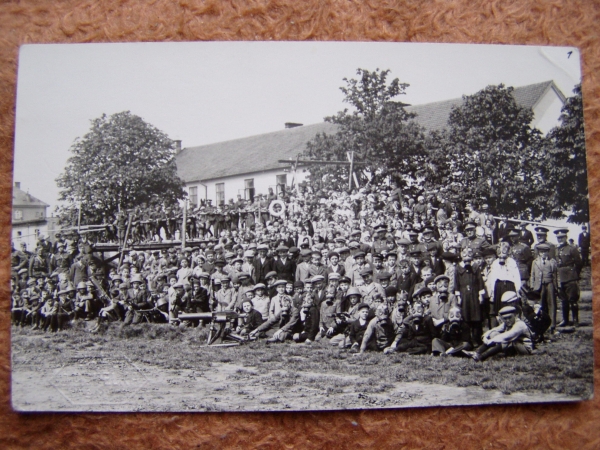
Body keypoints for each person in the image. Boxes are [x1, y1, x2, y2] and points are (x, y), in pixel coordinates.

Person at [465, 306, 533, 362]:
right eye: (505, 318)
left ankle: (481, 357)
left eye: (510, 317)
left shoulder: (520, 324)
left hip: (525, 348)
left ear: (515, 315)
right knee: (494, 333)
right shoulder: (506, 323)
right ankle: (477, 352)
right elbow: (495, 329)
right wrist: (485, 336)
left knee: (504, 341)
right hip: (514, 347)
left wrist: (491, 341)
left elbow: (507, 336)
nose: (507, 320)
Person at [555, 228, 583, 326]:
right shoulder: (556, 250)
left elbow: (579, 263)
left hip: (571, 277)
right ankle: (565, 320)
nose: (560, 239)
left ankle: (575, 320)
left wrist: (575, 274)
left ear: (566, 237)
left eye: (562, 237)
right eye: (558, 238)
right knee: (564, 300)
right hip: (560, 277)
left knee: (573, 299)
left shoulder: (572, 248)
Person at [529, 243, 559, 332]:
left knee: (552, 304)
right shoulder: (535, 262)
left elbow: (555, 275)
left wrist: (557, 286)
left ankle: (552, 325)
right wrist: (532, 286)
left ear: (548, 252)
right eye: (541, 252)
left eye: (545, 252)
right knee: (540, 304)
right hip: (539, 285)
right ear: (539, 253)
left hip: (550, 284)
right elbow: (532, 275)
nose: (543, 254)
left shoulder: (552, 261)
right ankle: (541, 324)